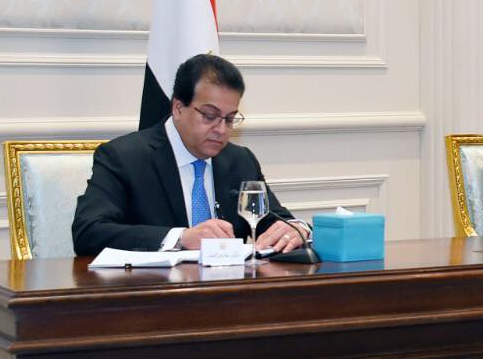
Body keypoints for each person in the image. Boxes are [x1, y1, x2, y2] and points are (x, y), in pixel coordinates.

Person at [72, 54, 307, 257]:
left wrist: (296, 229)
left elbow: (274, 220)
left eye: (229, 119)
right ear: (178, 108)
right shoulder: (125, 157)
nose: (221, 129)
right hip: (155, 290)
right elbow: (88, 232)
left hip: (228, 289)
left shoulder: (240, 161)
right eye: (209, 115)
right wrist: (181, 238)